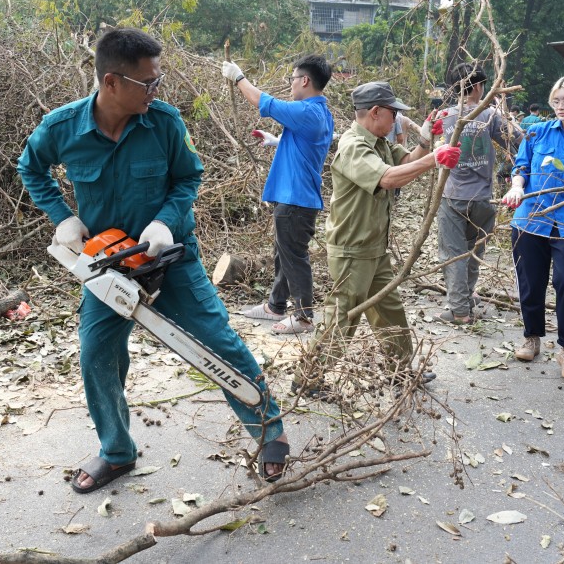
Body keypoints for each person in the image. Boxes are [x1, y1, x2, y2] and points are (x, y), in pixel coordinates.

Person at [18, 28, 289, 492]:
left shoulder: (164, 122)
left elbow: (190, 177)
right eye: (149, 82)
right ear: (111, 82)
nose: (157, 89)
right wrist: (62, 217)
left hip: (171, 259)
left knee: (218, 341)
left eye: (158, 79)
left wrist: (165, 221)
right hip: (108, 265)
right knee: (96, 354)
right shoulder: (63, 128)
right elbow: (30, 166)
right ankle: (117, 451)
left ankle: (270, 435)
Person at [292, 81, 456, 396]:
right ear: (376, 112)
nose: (396, 119)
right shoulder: (354, 145)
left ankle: (400, 372)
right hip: (352, 249)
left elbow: (405, 163)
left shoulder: (379, 142)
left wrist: (425, 139)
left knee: (389, 308)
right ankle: (307, 379)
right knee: (342, 317)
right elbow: (387, 178)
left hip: (374, 247)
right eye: (393, 113)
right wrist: (435, 158)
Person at [501, 76, 564, 382]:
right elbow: (520, 168)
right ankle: (532, 338)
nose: (560, 106)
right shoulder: (536, 133)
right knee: (530, 283)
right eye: (556, 100)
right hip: (529, 218)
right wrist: (517, 188)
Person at [222, 55, 334, 335]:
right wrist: (276, 141)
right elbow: (305, 143)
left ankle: (304, 316)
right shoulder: (320, 113)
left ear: (305, 81)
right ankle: (276, 305)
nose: (291, 84)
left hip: (296, 199)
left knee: (294, 256)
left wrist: (238, 77)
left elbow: (265, 102)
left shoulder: (307, 111)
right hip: (295, 197)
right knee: (283, 253)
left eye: (293, 79)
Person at [433, 63, 523, 325]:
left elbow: (431, 147)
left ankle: (459, 311)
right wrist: (503, 112)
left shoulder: (443, 115)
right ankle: (466, 300)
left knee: (453, 253)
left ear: (454, 87)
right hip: (484, 197)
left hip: (453, 196)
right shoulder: (491, 114)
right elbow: (518, 140)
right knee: (473, 252)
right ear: (482, 86)